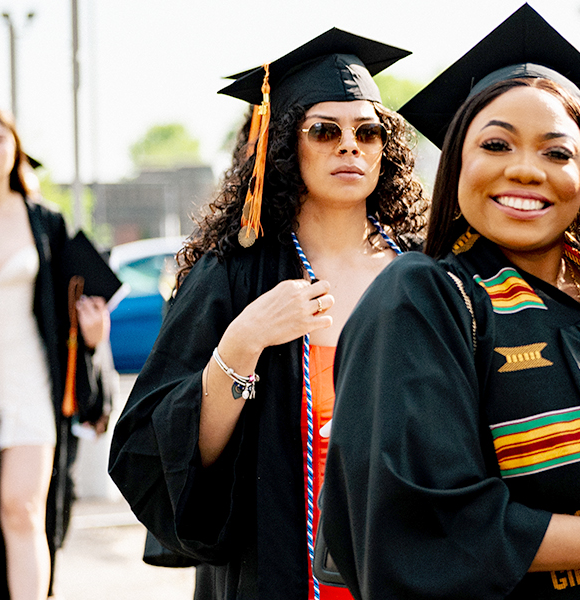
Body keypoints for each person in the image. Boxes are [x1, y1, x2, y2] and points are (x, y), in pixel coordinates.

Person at [320, 6, 580, 599]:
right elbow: (419, 523)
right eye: (496, 144)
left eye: (557, 152)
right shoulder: (427, 301)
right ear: (459, 162)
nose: (525, 170)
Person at [108, 29, 424, 600]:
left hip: (408, 560)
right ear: (284, 145)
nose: (348, 146)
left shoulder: (423, 272)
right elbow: (161, 454)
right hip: (280, 564)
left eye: (367, 132)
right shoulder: (233, 273)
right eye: (324, 131)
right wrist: (241, 344)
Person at [0, 108, 113, 600]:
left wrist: (91, 334)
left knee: (21, 508)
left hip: (29, 382)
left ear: (15, 146)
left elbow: (73, 302)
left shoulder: (44, 222)